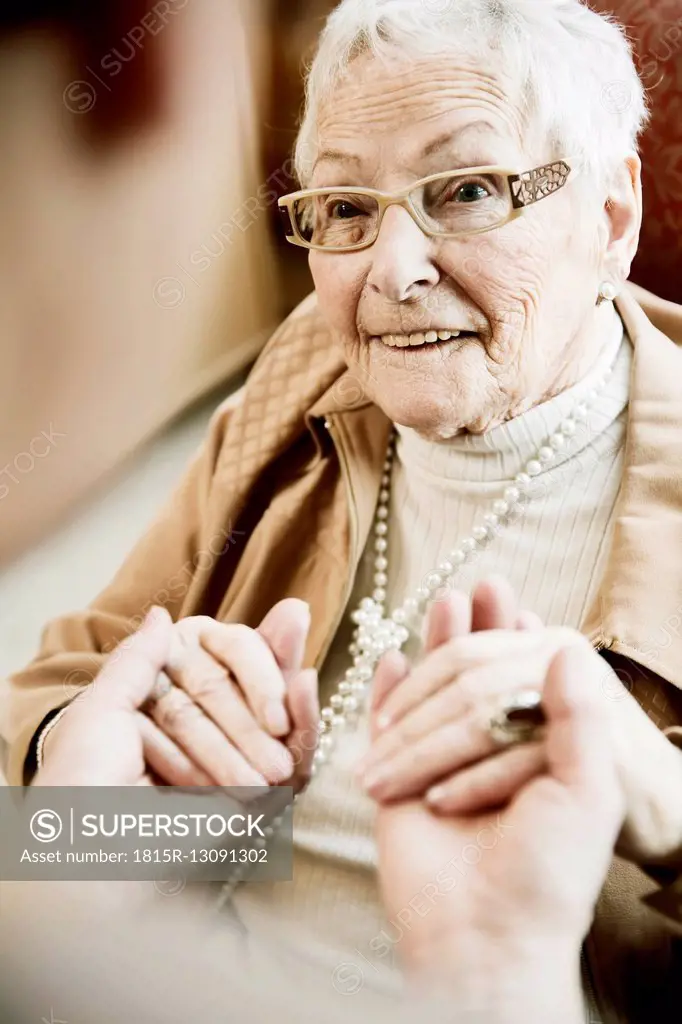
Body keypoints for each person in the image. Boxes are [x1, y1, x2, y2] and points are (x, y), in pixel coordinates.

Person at [4, 0, 682, 1020]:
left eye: (465, 190)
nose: (391, 273)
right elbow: (58, 687)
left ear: (611, 218)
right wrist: (106, 818)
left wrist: (663, 810)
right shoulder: (308, 367)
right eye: (347, 208)